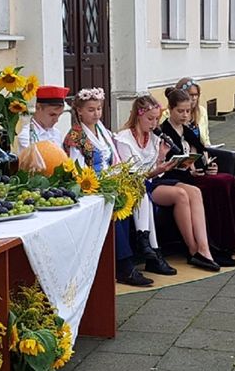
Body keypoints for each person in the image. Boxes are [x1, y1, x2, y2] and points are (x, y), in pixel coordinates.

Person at [63, 88, 176, 287]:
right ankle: (125, 265)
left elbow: (114, 159)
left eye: (98, 109)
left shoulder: (103, 132)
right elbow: (77, 169)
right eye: (91, 110)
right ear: (79, 112)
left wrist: (121, 178)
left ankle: (145, 243)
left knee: (137, 189)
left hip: (110, 180)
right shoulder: (76, 136)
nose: (96, 113)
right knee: (115, 204)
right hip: (90, 186)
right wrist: (104, 182)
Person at [116, 94, 220, 272]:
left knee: (194, 191)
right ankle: (192, 249)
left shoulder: (154, 138)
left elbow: (155, 167)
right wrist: (158, 169)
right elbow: (133, 175)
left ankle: (205, 250)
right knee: (180, 195)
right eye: (150, 119)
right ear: (138, 115)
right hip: (141, 184)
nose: (154, 123)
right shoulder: (124, 138)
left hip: (155, 179)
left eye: (157, 119)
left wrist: (162, 157)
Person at [160, 88, 235, 265]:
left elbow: (201, 152)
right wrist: (190, 169)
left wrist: (210, 167)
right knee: (215, 187)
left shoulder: (187, 131)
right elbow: (168, 164)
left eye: (187, 111)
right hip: (177, 178)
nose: (185, 115)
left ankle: (233, 241)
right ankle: (212, 245)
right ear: (170, 110)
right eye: (180, 111)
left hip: (193, 175)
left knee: (227, 180)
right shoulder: (165, 132)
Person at [18, 85, 69, 149]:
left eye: (59, 115)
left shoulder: (56, 133)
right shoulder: (26, 136)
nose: (56, 120)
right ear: (38, 107)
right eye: (52, 114)